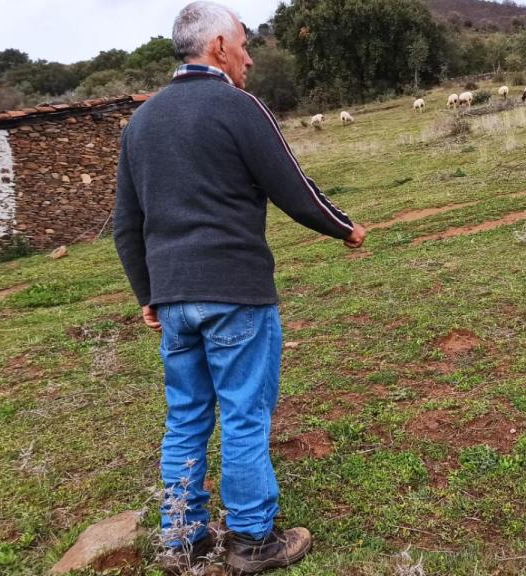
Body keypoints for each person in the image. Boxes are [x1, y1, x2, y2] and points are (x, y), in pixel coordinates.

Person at [113, 2, 367, 573]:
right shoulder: (237, 106)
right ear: (220, 47)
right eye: (245, 45)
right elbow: (292, 186)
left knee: (185, 419)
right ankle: (253, 541)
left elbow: (127, 224)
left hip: (174, 300)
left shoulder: (142, 123)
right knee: (245, 416)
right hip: (235, 294)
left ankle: (182, 540)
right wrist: (343, 227)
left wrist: (147, 294)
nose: (250, 58)